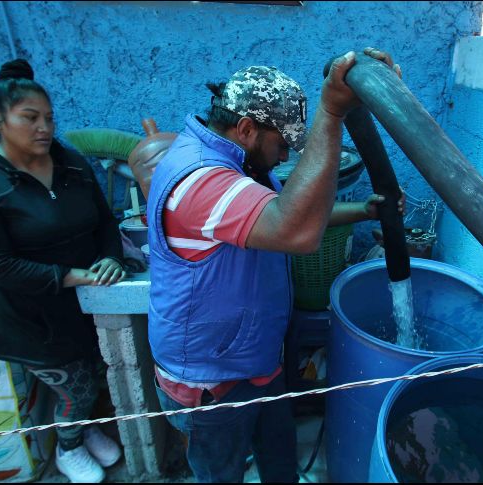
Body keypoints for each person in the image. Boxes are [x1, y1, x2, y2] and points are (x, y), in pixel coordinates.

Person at [146, 48, 404, 483]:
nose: (284, 157)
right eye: (282, 145)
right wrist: (331, 111)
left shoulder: (242, 165)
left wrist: (364, 210)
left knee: (279, 461)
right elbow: (294, 230)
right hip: (212, 383)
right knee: (221, 475)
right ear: (247, 128)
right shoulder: (201, 179)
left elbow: (290, 210)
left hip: (256, 362)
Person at [0, 59, 125, 483]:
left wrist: (112, 257)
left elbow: (105, 220)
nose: (44, 128)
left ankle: (83, 428)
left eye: (49, 118)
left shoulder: (71, 163)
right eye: (30, 118)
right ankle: (68, 447)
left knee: (96, 374)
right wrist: (74, 275)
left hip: (85, 303)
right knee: (76, 386)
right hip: (30, 314)